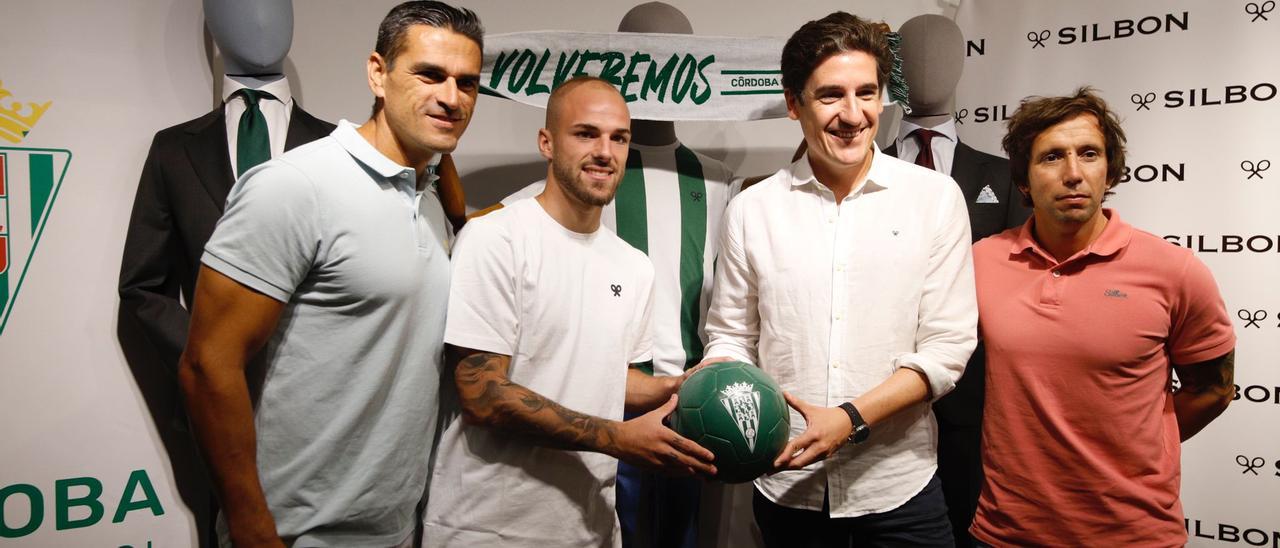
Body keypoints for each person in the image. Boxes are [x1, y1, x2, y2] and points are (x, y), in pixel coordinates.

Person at [177, 2, 483, 546]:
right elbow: (207, 364)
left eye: (467, 83)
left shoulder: (430, 198)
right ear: (377, 74)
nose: (451, 97)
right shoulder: (294, 186)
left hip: (399, 528)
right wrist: (252, 529)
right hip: (298, 533)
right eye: (430, 74)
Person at [702, 11, 976, 547]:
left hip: (900, 489)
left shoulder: (935, 198)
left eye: (867, 93)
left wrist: (849, 419)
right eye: (831, 95)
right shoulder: (751, 209)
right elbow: (731, 336)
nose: (853, 115)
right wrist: (715, 387)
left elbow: (947, 347)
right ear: (792, 103)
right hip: (787, 487)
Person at [423, 76, 716, 548]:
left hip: (590, 526)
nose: (605, 151)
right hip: (486, 528)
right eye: (586, 133)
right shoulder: (495, 239)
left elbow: (607, 378)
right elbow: (481, 394)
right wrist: (616, 439)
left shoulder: (634, 267)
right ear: (547, 142)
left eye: (618, 137)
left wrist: (675, 387)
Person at [494, 5, 741, 546]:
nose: (605, 149)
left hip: (685, 409)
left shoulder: (719, 182)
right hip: (595, 404)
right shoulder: (578, 176)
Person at [970, 87, 1236, 547]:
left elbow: (1213, 389)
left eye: (1089, 154)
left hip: (1133, 534)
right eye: (1052, 157)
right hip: (1005, 533)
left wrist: (1136, 450)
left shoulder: (1175, 270)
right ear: (1024, 181)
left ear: (1109, 169)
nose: (1073, 174)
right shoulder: (981, 262)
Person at [887, 14, 1031, 547]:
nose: (928, 66)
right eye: (909, 55)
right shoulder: (860, 173)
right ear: (893, 71)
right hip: (882, 398)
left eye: (944, 51)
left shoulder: (1003, 177)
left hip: (977, 405)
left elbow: (1022, 290)